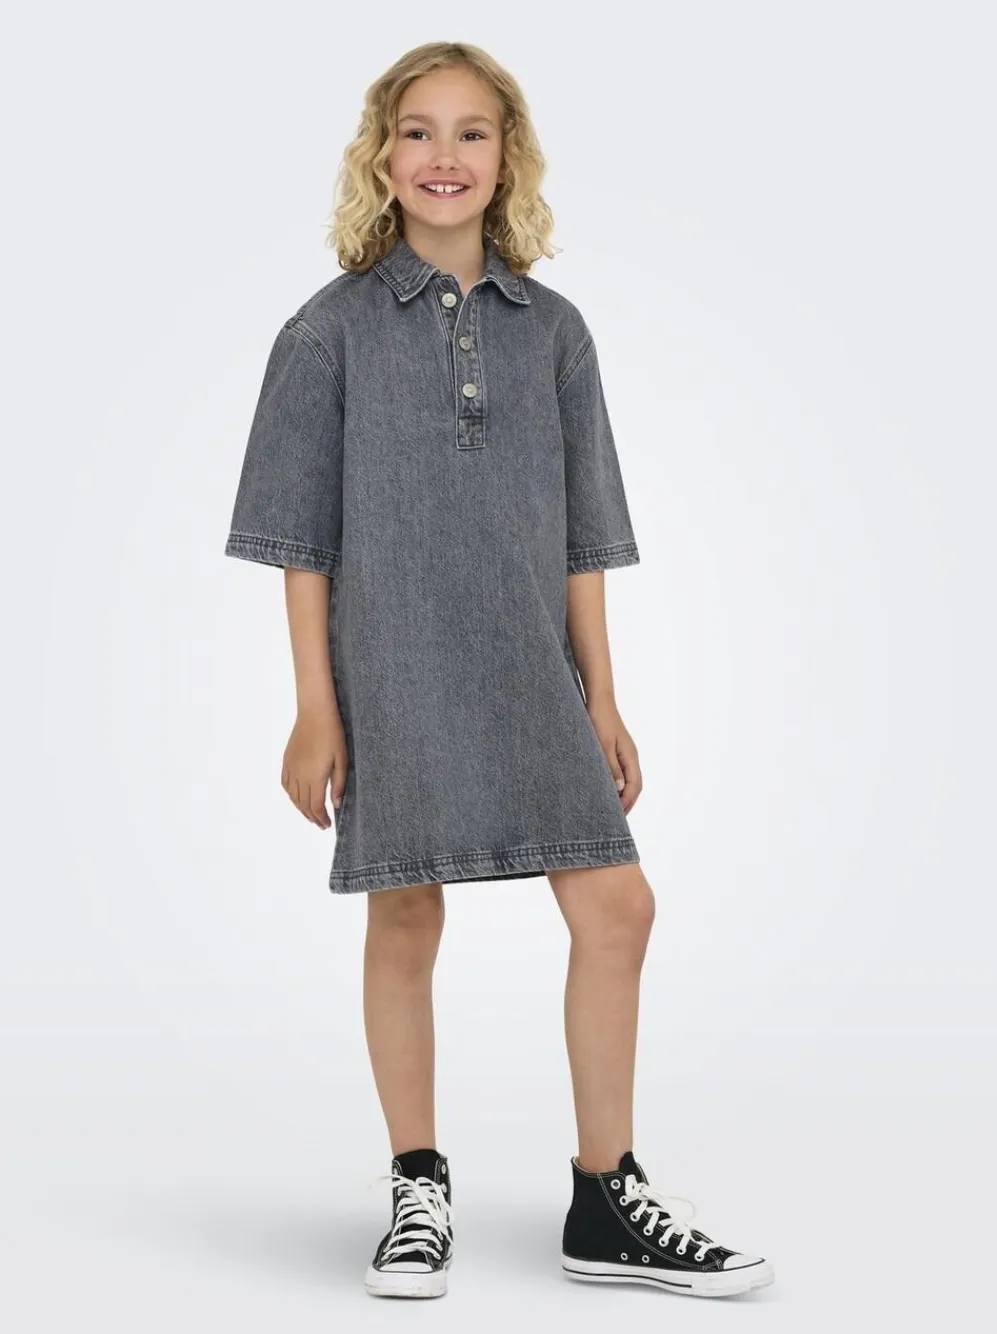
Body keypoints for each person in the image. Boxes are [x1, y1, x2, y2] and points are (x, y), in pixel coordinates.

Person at [223, 40, 775, 1301]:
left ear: (508, 155)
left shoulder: (554, 333)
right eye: (418, 131)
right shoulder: (326, 332)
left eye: (471, 132)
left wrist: (603, 696)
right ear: (381, 155)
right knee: (407, 911)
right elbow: (300, 542)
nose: (444, 156)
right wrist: (313, 706)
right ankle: (418, 1182)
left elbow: (583, 536)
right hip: (393, 664)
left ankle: (605, 1194)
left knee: (618, 906)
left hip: (533, 665)